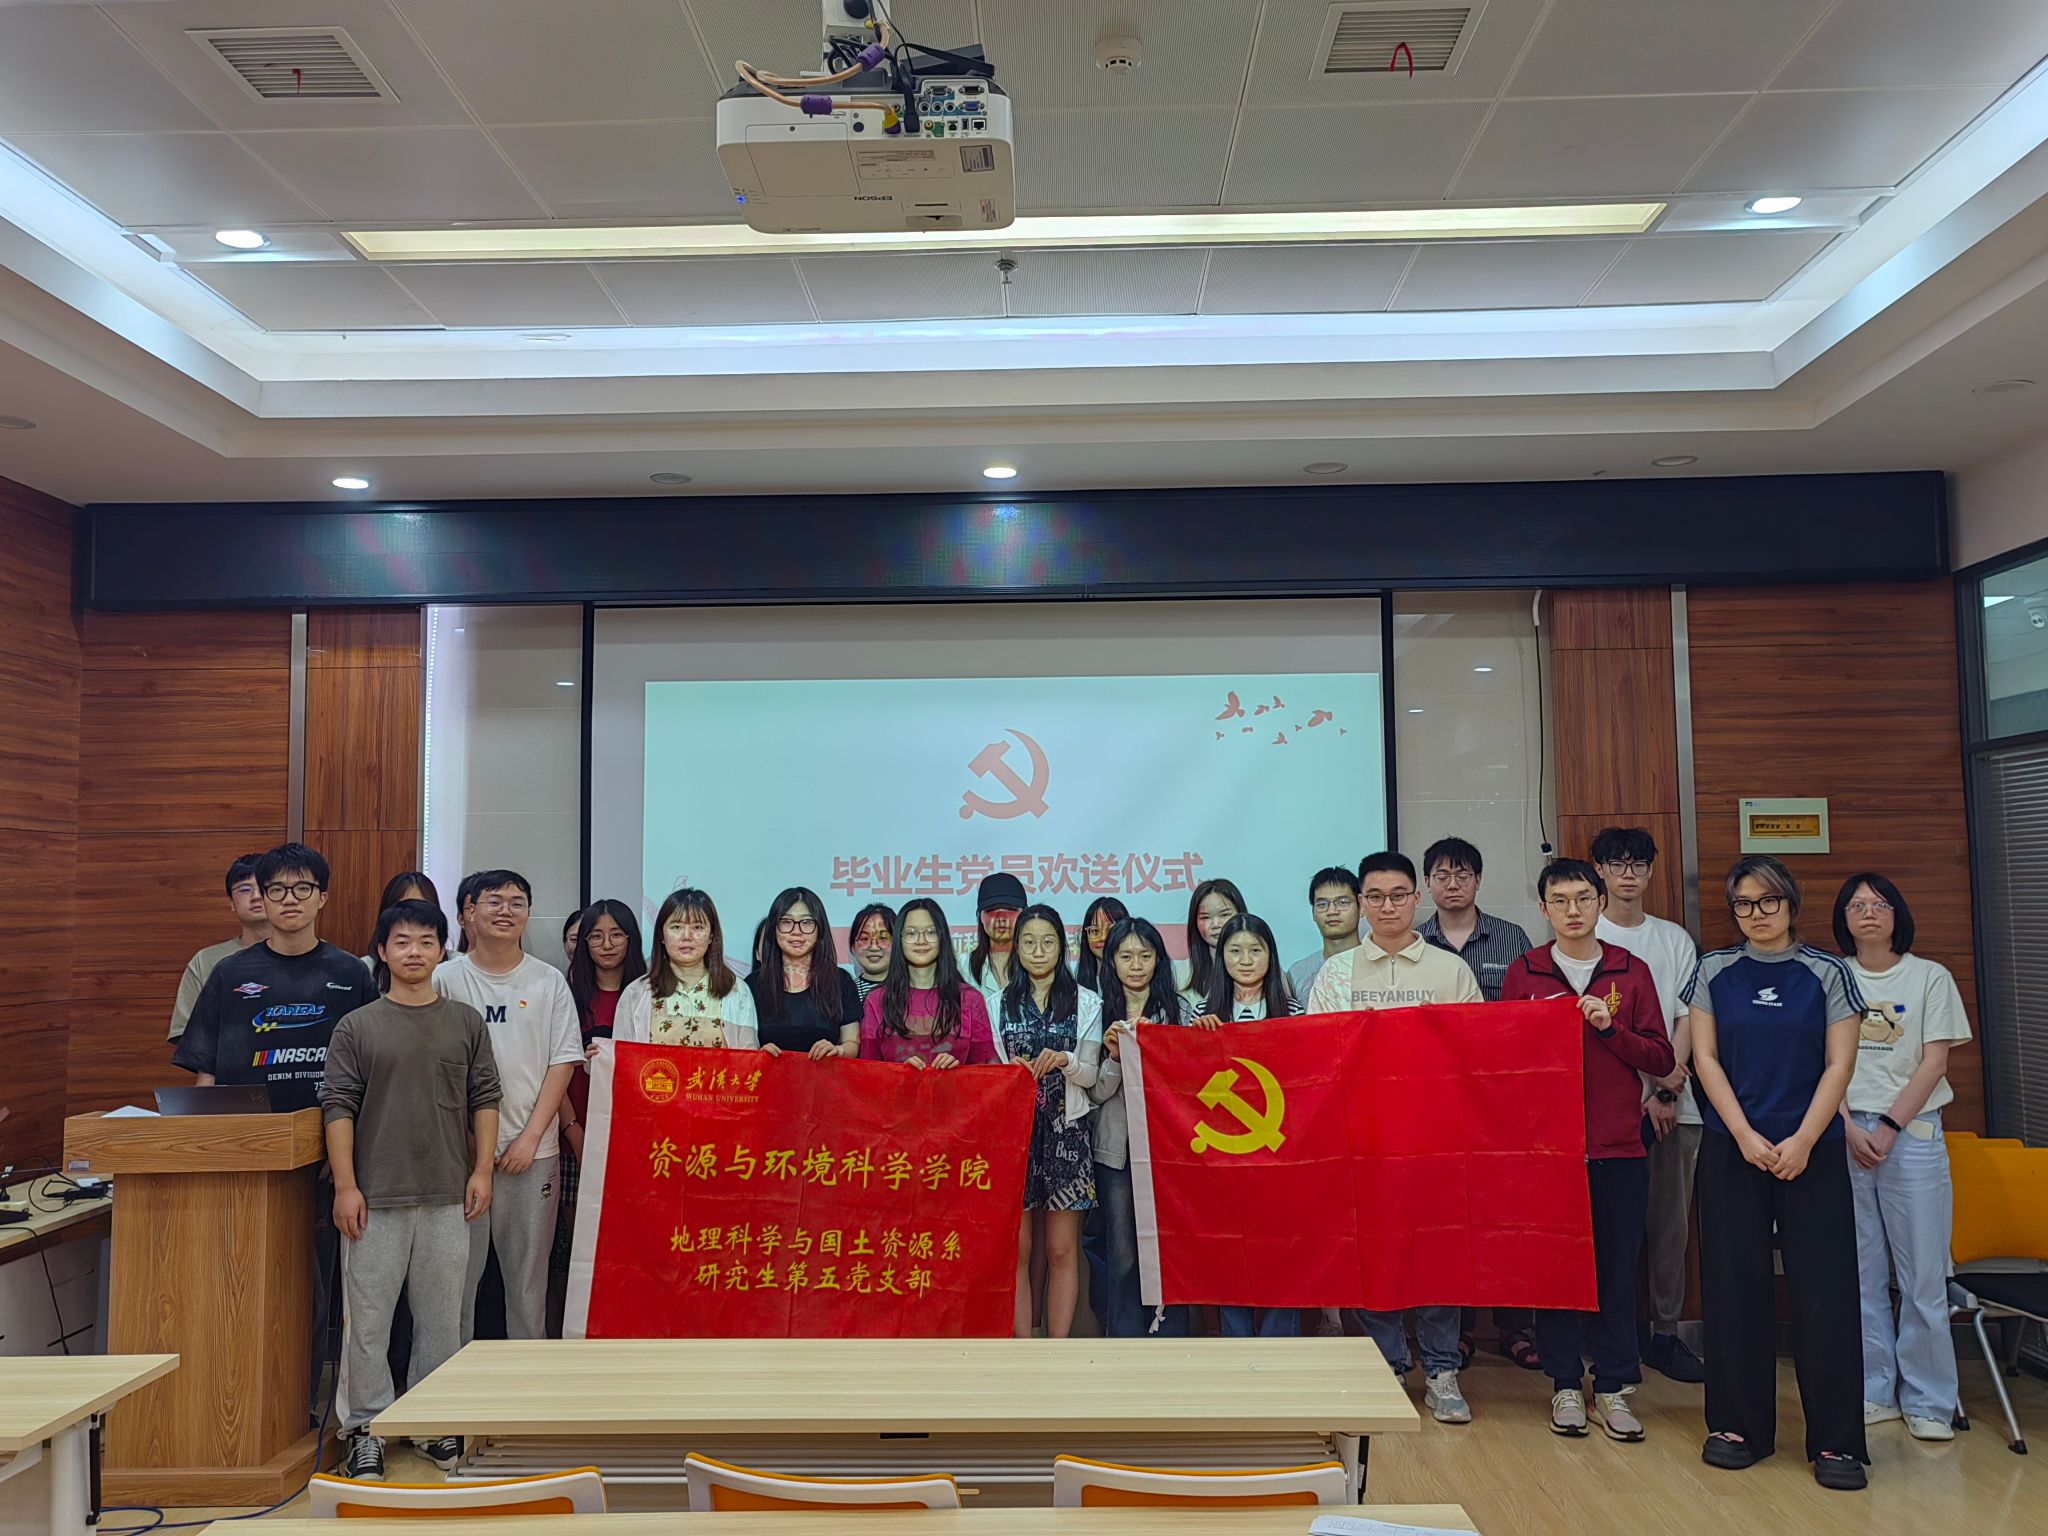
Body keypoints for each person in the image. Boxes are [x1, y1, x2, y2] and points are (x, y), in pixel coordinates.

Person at [173, 842, 378, 1409]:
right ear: (260, 898)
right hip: (246, 1159)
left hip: (327, 1159)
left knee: (316, 1289)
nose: (290, 899)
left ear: (323, 898)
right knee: (240, 1283)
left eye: (302, 888)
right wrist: (203, 1152)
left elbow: (370, 1073)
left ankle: (303, 1405)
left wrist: (348, 1162)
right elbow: (206, 1073)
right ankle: (237, 1401)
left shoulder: (350, 974)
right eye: (278, 889)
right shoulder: (229, 974)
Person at [1685, 855, 1867, 1490]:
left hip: (1812, 1150)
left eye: (1768, 902)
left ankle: (1837, 1442)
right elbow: (1705, 1059)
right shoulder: (1713, 970)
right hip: (1731, 1148)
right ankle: (1738, 1426)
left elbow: (1839, 1065)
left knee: (1825, 1292)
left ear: (1790, 903)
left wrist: (1804, 1140)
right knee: (1733, 1286)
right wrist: (1743, 1134)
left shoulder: (1828, 972)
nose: (1756, 914)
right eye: (1743, 904)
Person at [323, 899, 499, 1482]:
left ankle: (432, 1421)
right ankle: (365, 1430)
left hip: (449, 1194)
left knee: (441, 1321)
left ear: (442, 950)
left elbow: (485, 1099)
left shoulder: (465, 1022)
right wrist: (345, 1186)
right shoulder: (358, 1026)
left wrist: (482, 1171)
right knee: (369, 1323)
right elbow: (338, 1107)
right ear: (382, 951)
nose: (415, 952)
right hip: (375, 1198)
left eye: (426, 941)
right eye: (402, 941)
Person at [1501, 860, 1674, 1443]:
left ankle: (1615, 1385)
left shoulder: (1631, 970)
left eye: (1582, 898)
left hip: (1617, 1146)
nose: (1572, 910)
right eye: (1560, 900)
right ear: (1543, 909)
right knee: (1555, 1272)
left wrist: (1608, 1029)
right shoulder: (1525, 972)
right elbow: (1505, 1061)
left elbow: (1660, 1058)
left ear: (1600, 903)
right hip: (1546, 1152)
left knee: (1616, 1272)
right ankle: (1565, 1384)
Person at [1307, 851, 1479, 1423]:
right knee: (1372, 1255)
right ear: (1361, 903)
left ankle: (1442, 1370)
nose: (1387, 906)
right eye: (1375, 897)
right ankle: (1386, 1365)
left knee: (1437, 1255)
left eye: (1398, 895)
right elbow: (1317, 1055)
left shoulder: (1449, 970)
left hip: (1435, 1140)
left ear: (1416, 899)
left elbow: (1473, 1052)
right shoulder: (1337, 974)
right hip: (1364, 1141)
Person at [1834, 873, 1972, 1444]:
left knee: (1922, 1276)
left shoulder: (1929, 976)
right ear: (1843, 918)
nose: (1868, 912)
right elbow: (1823, 1061)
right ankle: (1874, 1389)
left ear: (1898, 914)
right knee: (1860, 1273)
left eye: (1880, 904)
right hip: (1844, 1132)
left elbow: (1934, 1062)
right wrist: (1846, 1125)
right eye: (1857, 905)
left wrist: (1888, 1128)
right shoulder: (1832, 976)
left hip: (1912, 1133)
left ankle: (1930, 1400)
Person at [433, 869, 582, 1342]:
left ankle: (529, 1383)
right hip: (460, 1156)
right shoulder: (444, 979)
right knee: (455, 1286)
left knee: (527, 1287)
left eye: (517, 902)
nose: (505, 910)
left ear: (528, 913)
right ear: (470, 912)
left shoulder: (548, 981)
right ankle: (451, 1379)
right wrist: (466, 1140)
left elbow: (563, 1063)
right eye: (493, 901)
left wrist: (530, 1139)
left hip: (532, 1156)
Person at [1591, 826, 1704, 1385]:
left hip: (1671, 1103)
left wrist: (1664, 1088)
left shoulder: (1673, 939)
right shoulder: (1584, 933)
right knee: (1605, 1231)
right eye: (1617, 864)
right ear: (1599, 871)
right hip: (1601, 1110)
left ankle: (1664, 1332)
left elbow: (1687, 1016)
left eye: (1638, 864)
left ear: (1653, 871)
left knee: (1669, 1227)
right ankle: (1605, 1337)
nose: (1628, 874)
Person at [1194, 912, 1305, 1339]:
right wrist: (1197, 1039)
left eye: (1255, 950)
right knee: (1230, 1252)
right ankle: (1237, 1343)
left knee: (1283, 1252)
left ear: (1270, 955)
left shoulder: (1291, 1011)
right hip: (1225, 1155)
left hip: (1280, 1155)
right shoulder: (1204, 1012)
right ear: (1220, 957)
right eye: (1235, 950)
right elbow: (1186, 1079)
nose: (1245, 960)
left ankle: (1280, 1341)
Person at [1090, 916, 1197, 1338]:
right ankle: (1125, 1341)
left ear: (1159, 960)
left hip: (1171, 1150)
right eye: (1126, 956)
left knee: (1173, 1247)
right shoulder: (1097, 1013)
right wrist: (1116, 1059)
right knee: (1122, 1254)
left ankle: (1173, 1339)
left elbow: (1192, 1081)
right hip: (1117, 1150)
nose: (1136, 965)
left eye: (1145, 955)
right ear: (1111, 961)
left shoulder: (1180, 1012)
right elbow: (1095, 1094)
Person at [998, 905, 1102, 1339]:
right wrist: (1007, 1071)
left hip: (1067, 1134)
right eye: (1029, 942)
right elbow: (987, 1073)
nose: (1038, 951)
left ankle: (1057, 1349)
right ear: (1016, 948)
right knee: (1018, 1252)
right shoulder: (997, 1003)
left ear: (1062, 947)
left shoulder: (1086, 1002)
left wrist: (1065, 1061)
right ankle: (1023, 1348)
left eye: (1047, 942)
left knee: (1061, 1250)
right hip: (1014, 1138)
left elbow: (1092, 1076)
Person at [551, 897, 646, 1333]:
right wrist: (575, 1132)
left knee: (632, 1244)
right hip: (576, 1133)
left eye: (617, 935)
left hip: (634, 1143)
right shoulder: (566, 995)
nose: (607, 945)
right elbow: (554, 1068)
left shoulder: (650, 995)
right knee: (579, 1246)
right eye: (596, 936)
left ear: (632, 939)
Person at [861, 898, 999, 1066]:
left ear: (942, 938)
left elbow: (986, 1071)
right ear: (899, 939)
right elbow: (867, 1071)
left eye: (930, 932)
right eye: (911, 933)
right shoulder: (876, 1001)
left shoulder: (970, 1000)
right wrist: (899, 1072)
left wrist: (957, 1070)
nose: (921, 940)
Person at [617, 888, 760, 1049]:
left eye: (697, 927)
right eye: (676, 927)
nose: (687, 936)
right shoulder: (636, 993)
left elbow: (748, 1058)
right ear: (662, 935)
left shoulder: (736, 991)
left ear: (711, 935)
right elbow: (622, 1058)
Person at [747, 887, 862, 1058]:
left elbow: (852, 1042)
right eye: (786, 922)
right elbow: (741, 1046)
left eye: (806, 922)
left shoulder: (840, 981)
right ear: (774, 928)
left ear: (820, 928)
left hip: (826, 1074)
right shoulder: (752, 985)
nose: (796, 931)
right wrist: (757, 1054)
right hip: (767, 1075)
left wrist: (839, 1050)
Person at [168, 852, 269, 1041]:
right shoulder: (206, 960)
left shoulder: (313, 955)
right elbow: (187, 1037)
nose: (256, 896)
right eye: (244, 889)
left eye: (265, 888)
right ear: (232, 903)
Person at [1420, 836, 1532, 1004]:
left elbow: (1532, 999)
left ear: (1478, 880)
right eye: (1442, 877)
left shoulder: (1513, 937)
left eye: (1462, 876)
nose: (1452, 885)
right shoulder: (1415, 942)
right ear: (1428, 882)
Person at [1286, 867, 1360, 1004]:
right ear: (1313, 913)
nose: (1332, 911)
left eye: (1342, 903)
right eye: (1322, 904)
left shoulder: (1381, 965)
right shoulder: (1297, 973)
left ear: (1362, 908)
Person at [968, 872, 1028, 1023]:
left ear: (1024, 913)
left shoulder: (1041, 963)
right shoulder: (962, 968)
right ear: (979, 916)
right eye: (991, 910)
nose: (1001, 918)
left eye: (1010, 909)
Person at [1177, 877, 1245, 1009]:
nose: (1216, 924)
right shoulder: (1181, 974)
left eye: (1224, 915)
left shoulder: (1261, 967)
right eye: (1206, 917)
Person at [363, 871, 442, 985]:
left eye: (421, 908)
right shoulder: (364, 970)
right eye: (403, 908)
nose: (412, 917)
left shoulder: (455, 967)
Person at [1075, 896, 1130, 993]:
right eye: (1095, 931)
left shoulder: (1136, 982)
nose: (1103, 937)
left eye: (1111, 930)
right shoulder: (1077, 989)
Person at [845, 902, 896, 1003]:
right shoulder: (845, 995)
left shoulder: (911, 990)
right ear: (853, 946)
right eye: (864, 939)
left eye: (883, 938)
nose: (873, 947)